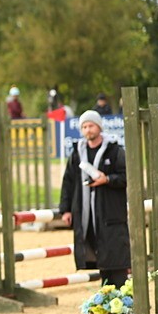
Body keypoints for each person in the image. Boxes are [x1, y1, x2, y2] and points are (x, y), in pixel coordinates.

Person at [58, 110, 131, 287]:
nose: (87, 129)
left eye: (90, 125)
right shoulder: (77, 153)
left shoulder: (115, 151)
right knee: (99, 257)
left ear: (99, 127)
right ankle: (106, 299)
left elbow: (126, 176)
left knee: (115, 255)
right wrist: (65, 209)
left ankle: (122, 299)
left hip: (111, 211)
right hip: (86, 213)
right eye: (84, 126)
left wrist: (107, 179)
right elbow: (68, 181)